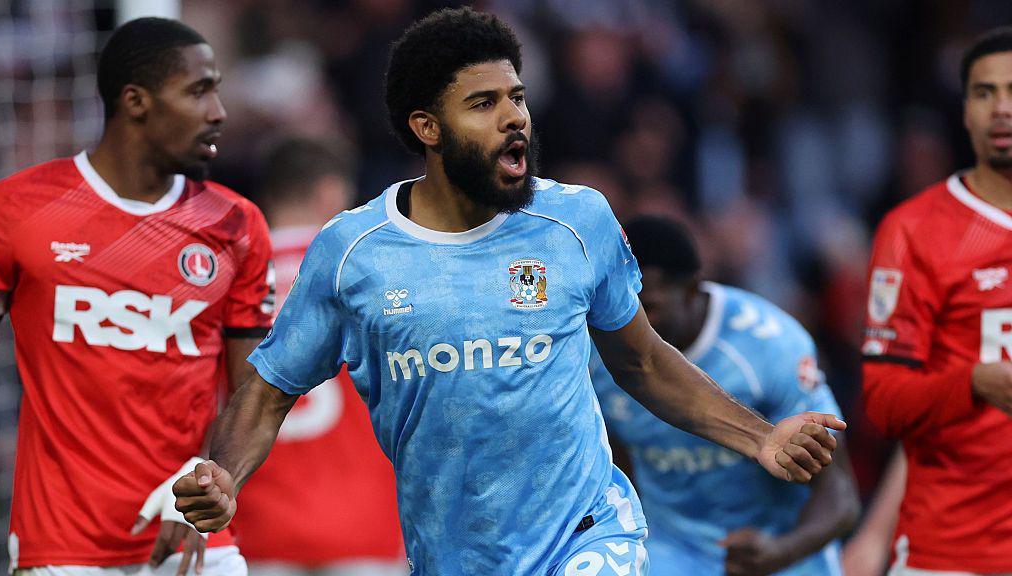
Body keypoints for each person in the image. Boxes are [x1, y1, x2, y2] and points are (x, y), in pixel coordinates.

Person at [173, 8, 844, 576]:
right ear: (426, 127)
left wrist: (760, 439)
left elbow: (641, 360)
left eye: (517, 98)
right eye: (484, 104)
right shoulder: (352, 254)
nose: (513, 118)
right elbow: (267, 392)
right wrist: (226, 473)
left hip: (589, 536)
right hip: (452, 553)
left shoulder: (577, 222)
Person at [0, 17, 272, 575]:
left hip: (194, 538)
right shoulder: (17, 211)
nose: (218, 110)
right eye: (198, 90)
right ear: (136, 101)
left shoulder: (235, 225)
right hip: (63, 544)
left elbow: (252, 396)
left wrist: (210, 485)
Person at [590, 217, 860, 576]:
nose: (630, 320)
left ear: (691, 290)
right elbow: (617, 466)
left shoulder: (770, 346)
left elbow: (841, 495)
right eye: (620, 303)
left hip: (782, 554)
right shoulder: (598, 348)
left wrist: (781, 551)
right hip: (671, 555)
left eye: (647, 306)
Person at [862, 26, 1012, 576]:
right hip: (953, 552)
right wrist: (973, 383)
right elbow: (883, 404)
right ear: (966, 111)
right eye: (984, 92)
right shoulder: (914, 230)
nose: (1002, 109)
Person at [231, 137, 407, 575]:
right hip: (363, 528)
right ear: (330, 192)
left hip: (258, 532)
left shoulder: (231, 278)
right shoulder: (369, 270)